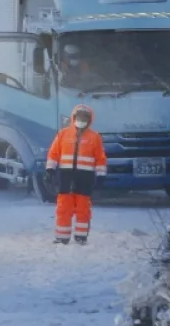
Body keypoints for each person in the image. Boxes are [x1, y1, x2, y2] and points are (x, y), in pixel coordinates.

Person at [45, 104, 107, 245]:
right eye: (79, 117)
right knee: (63, 207)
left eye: (85, 117)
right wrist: (50, 170)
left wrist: (101, 175)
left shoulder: (95, 137)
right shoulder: (63, 134)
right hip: (66, 176)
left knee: (83, 207)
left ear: (89, 119)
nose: (82, 119)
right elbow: (53, 154)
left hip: (85, 177)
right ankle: (62, 237)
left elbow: (100, 158)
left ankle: (81, 236)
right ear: (74, 118)